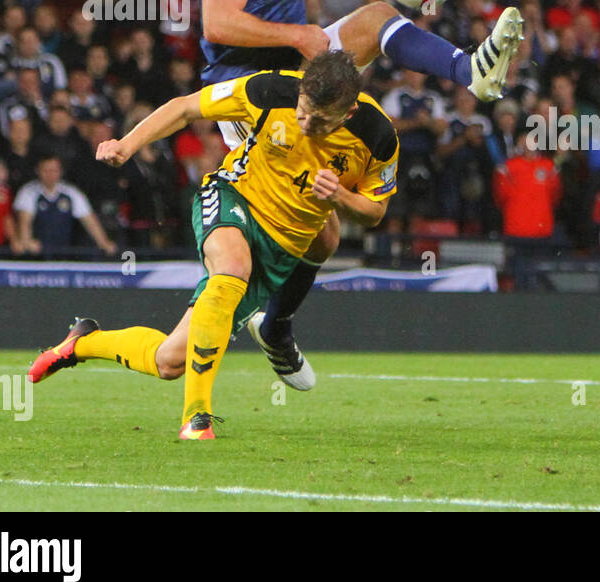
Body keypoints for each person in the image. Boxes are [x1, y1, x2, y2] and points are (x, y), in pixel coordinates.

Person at [196, 0, 523, 391]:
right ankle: (260, 326)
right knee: (321, 231)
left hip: (299, 71)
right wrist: (294, 34)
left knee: (375, 17)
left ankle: (470, 71)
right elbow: (217, 21)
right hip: (260, 94)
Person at [27, 52, 398, 440]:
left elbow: (374, 212)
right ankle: (196, 417)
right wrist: (127, 143)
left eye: (320, 121)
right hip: (233, 197)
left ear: (350, 111)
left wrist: (340, 196)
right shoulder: (269, 89)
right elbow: (186, 107)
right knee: (233, 266)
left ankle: (81, 344)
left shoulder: (378, 137)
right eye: (303, 112)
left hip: (281, 246)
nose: (306, 125)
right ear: (301, 90)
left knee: (169, 362)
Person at [13, 154, 118, 256]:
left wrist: (104, 243)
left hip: (65, 254)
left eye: (54, 170)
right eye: (46, 170)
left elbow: (89, 220)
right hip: (37, 254)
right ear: (38, 171)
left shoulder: (71, 192)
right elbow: (24, 222)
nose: (50, 174)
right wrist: (27, 241)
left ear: (60, 171)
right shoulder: (28, 192)